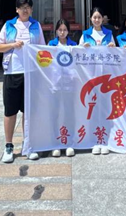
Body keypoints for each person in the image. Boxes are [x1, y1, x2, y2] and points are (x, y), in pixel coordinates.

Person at [0, 0, 45, 163]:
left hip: (30, 73)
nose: (25, 10)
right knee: (10, 111)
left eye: (28, 7)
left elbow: (42, 49)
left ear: (31, 9)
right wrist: (13, 45)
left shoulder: (36, 26)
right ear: (16, 10)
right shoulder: (9, 25)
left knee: (28, 111)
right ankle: (9, 146)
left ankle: (27, 144)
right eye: (22, 7)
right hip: (12, 72)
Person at [81, 7, 115, 155]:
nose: (96, 20)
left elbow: (115, 54)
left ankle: (105, 139)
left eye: (99, 17)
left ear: (103, 19)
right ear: (90, 19)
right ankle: (95, 140)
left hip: (106, 77)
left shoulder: (109, 34)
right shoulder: (85, 34)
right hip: (91, 77)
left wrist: (113, 47)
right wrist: (83, 47)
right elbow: (78, 54)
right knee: (93, 108)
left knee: (106, 108)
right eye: (94, 17)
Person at [47, 19, 77, 158]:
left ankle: (69, 142)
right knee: (55, 114)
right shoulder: (51, 45)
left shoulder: (74, 45)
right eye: (60, 30)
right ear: (56, 31)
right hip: (55, 85)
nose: (62, 32)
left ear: (68, 31)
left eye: (65, 30)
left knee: (69, 114)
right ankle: (55, 143)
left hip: (70, 86)